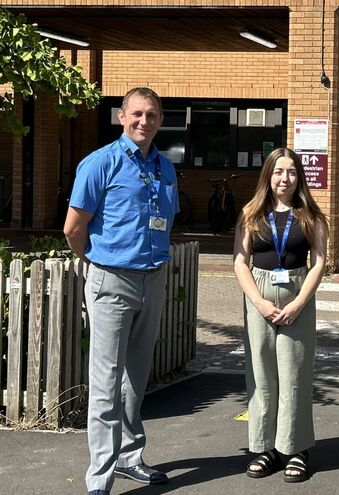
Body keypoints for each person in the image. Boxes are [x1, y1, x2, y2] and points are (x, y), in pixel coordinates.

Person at [64, 87, 178, 495]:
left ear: (160, 120)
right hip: (111, 280)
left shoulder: (166, 169)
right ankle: (100, 477)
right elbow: (73, 229)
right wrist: (98, 263)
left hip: (153, 277)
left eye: (151, 115)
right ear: (121, 116)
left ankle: (131, 456)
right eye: (136, 114)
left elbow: (165, 220)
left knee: (136, 376)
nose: (143, 121)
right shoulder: (100, 165)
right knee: (106, 381)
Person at [233, 147, 328, 482]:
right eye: (277, 171)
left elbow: (319, 262)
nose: (284, 178)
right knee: (261, 376)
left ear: (298, 176)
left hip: (295, 297)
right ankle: (266, 448)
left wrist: (299, 303)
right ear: (268, 176)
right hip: (259, 297)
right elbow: (240, 262)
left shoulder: (311, 215)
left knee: (295, 375)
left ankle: (296, 448)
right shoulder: (251, 213)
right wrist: (259, 302)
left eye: (290, 171)